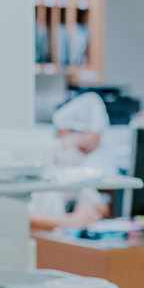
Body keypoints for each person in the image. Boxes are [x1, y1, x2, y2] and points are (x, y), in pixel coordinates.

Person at [28, 92, 112, 231]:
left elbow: (99, 205)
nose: (82, 157)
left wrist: (94, 208)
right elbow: (23, 217)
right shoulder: (35, 164)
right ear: (62, 133)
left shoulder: (70, 170)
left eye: (89, 152)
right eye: (82, 149)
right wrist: (74, 220)